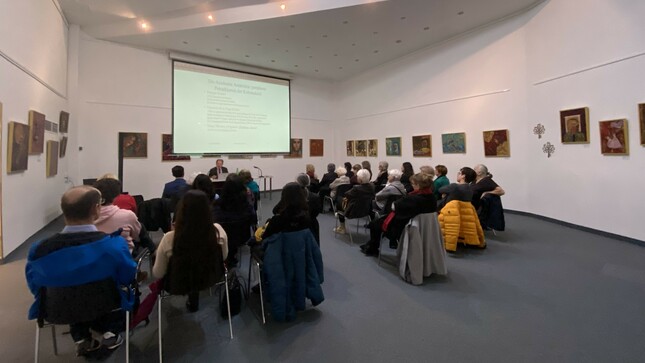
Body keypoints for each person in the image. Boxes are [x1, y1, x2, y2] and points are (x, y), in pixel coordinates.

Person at [26, 186, 136, 356]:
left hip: (57, 309)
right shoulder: (112, 245)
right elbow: (127, 276)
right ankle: (110, 331)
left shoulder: (39, 249)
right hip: (107, 305)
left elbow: (35, 284)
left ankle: (80, 337)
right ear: (96, 209)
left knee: (74, 292)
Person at [153, 190, 228, 312]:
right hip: (210, 277)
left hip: (177, 284)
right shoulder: (218, 232)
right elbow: (223, 256)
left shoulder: (169, 238)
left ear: (181, 212)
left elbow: (158, 273)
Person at [361, 173, 437, 256]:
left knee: (375, 225)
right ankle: (371, 245)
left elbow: (394, 206)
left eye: (412, 184)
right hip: (424, 228)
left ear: (418, 185)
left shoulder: (413, 198)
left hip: (403, 227)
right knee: (378, 222)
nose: (411, 186)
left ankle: (373, 248)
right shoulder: (432, 197)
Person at [212, 174, 257, 266]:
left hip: (221, 238)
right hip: (242, 237)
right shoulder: (247, 206)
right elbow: (254, 221)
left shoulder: (217, 206)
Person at [94, 178, 141, 251]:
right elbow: (136, 235)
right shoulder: (128, 215)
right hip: (123, 258)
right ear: (116, 196)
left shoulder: (86, 217)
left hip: (93, 257)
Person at [333, 169, 375, 234]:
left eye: (357, 177)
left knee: (339, 201)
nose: (356, 178)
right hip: (366, 211)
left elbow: (347, 194)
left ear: (360, 179)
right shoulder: (372, 186)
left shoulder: (357, 188)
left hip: (353, 212)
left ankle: (342, 227)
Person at [296, 173, 323, 244]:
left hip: (297, 225)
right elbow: (317, 211)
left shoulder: (293, 196)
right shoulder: (315, 197)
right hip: (312, 224)